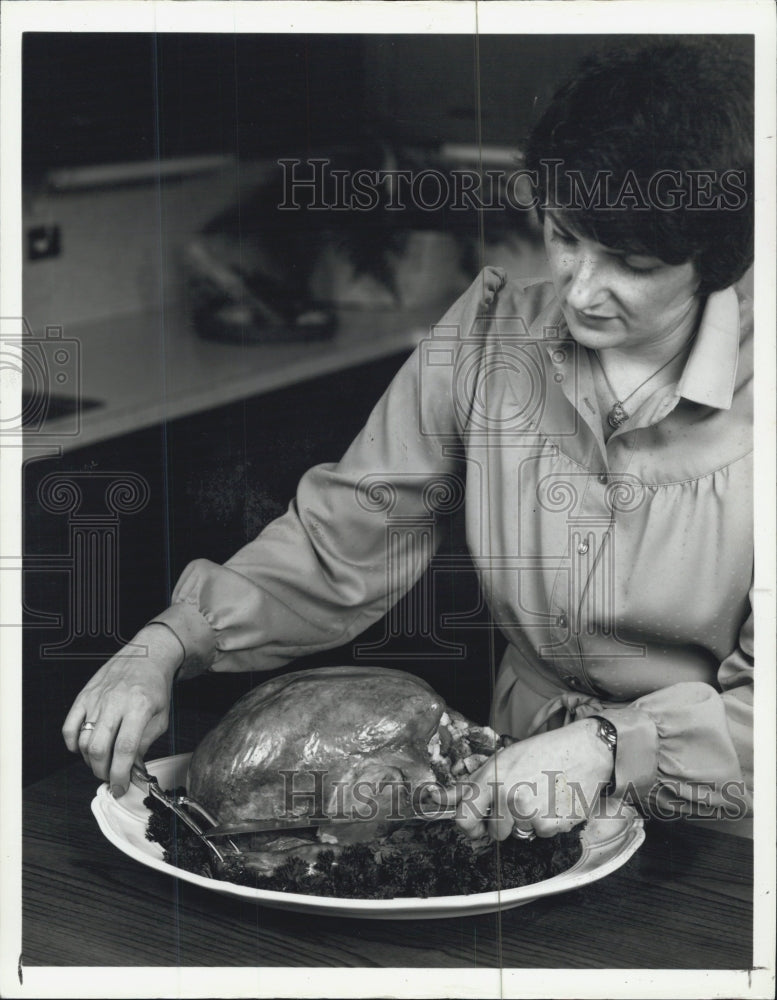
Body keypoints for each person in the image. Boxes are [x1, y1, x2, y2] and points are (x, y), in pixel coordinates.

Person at [63, 38, 754, 840]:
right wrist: (166, 643)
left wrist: (611, 745)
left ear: (713, 258)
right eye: (564, 236)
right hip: (511, 795)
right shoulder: (491, 335)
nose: (580, 288)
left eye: (629, 262)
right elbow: (342, 543)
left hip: (718, 826)